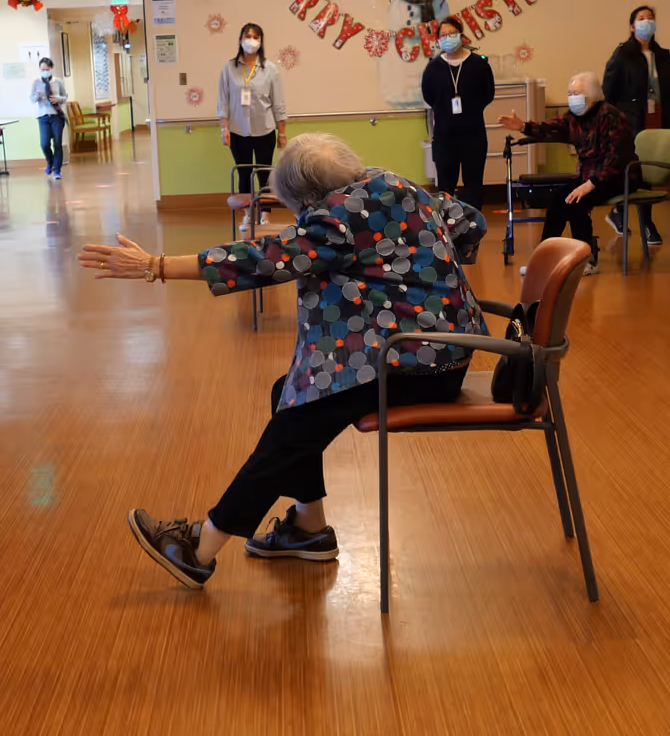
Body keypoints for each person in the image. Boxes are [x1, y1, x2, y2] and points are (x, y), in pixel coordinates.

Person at [77, 133, 487, 589]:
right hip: (448, 351)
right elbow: (468, 220)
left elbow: (263, 259)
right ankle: (308, 529)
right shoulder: (393, 183)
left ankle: (201, 547)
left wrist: (157, 264)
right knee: (288, 392)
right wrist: (415, 263)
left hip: (411, 364)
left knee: (295, 422)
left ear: (308, 198)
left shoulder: (334, 218)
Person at [497, 71, 633, 273]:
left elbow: (617, 157)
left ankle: (586, 260)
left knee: (577, 202)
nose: (572, 97)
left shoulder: (610, 116)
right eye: (569, 93)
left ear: (592, 95)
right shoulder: (574, 118)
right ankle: (544, 259)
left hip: (618, 176)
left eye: (576, 93)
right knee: (559, 200)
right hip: (588, 175)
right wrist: (524, 126)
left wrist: (590, 184)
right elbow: (549, 128)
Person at [601, 5, 670, 247]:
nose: (647, 22)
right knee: (639, 172)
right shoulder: (622, 55)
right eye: (641, 18)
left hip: (658, 119)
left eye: (651, 18)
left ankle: (619, 213)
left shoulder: (662, 56)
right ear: (633, 26)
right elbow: (608, 92)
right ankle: (647, 224)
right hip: (631, 122)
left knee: (653, 172)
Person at [420, 15, 494, 212]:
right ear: (438, 40)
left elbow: (488, 93)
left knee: (473, 184)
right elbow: (429, 95)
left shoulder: (478, 64)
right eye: (443, 35)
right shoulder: (433, 67)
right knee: (445, 187)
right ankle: (446, 228)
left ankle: (474, 226)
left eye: (452, 33)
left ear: (461, 35)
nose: (448, 38)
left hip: (474, 135)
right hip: (444, 136)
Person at [216, 23, 286, 196]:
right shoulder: (229, 68)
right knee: (244, 174)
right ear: (240, 40)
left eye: (256, 37)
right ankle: (247, 213)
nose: (251, 41)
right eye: (248, 37)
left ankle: (265, 214)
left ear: (261, 42)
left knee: (264, 174)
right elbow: (223, 100)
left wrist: (282, 133)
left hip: (265, 129)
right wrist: (224, 128)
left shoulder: (270, 69)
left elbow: (278, 102)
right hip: (238, 131)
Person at [33, 56, 69, 179]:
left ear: (51, 69)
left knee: (57, 143)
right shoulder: (36, 82)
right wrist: (37, 96)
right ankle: (50, 162)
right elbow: (32, 99)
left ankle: (57, 170)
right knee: (44, 143)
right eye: (42, 69)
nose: (45, 71)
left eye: (47, 69)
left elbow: (65, 97)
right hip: (43, 116)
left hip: (56, 116)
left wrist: (58, 99)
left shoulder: (57, 81)